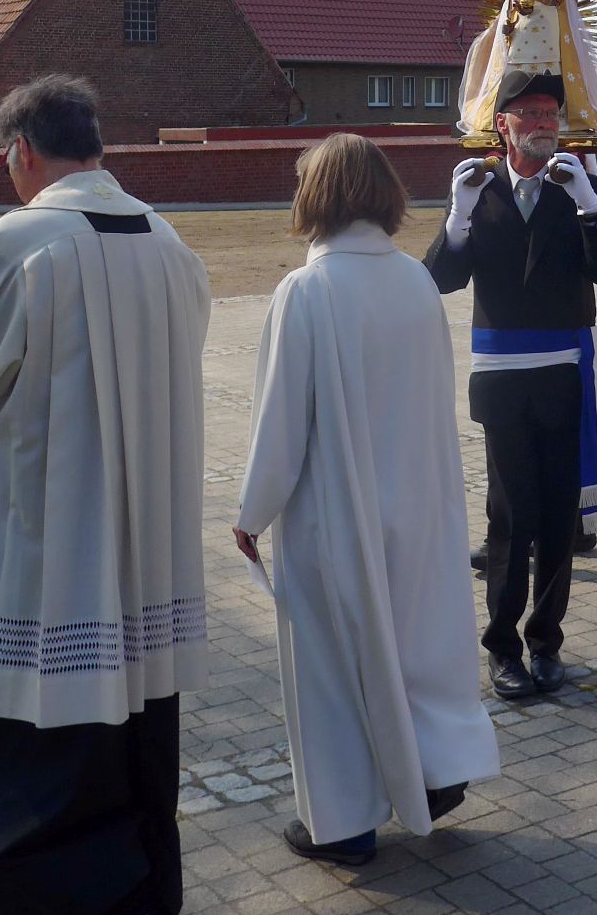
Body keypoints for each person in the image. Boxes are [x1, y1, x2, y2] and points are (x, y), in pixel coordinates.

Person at [0, 75, 209, 915]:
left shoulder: (16, 243)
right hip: (144, 535)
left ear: (21, 151)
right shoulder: (167, 240)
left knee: (22, 734)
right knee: (134, 723)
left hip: (35, 533)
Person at [234, 135, 499, 868]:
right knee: (422, 646)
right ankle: (437, 774)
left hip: (337, 510)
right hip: (421, 501)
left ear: (316, 195)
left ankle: (344, 822)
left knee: (332, 667)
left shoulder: (307, 291)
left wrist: (251, 512)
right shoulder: (415, 281)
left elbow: (281, 422)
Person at [424, 69, 597, 701]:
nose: (544, 124)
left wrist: (590, 203)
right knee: (510, 515)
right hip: (501, 380)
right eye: (531, 114)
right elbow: (440, 279)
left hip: (562, 375)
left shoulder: (579, 184)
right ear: (503, 125)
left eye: (551, 114)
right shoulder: (480, 188)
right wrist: (456, 218)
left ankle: (546, 642)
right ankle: (502, 647)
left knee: (558, 514)